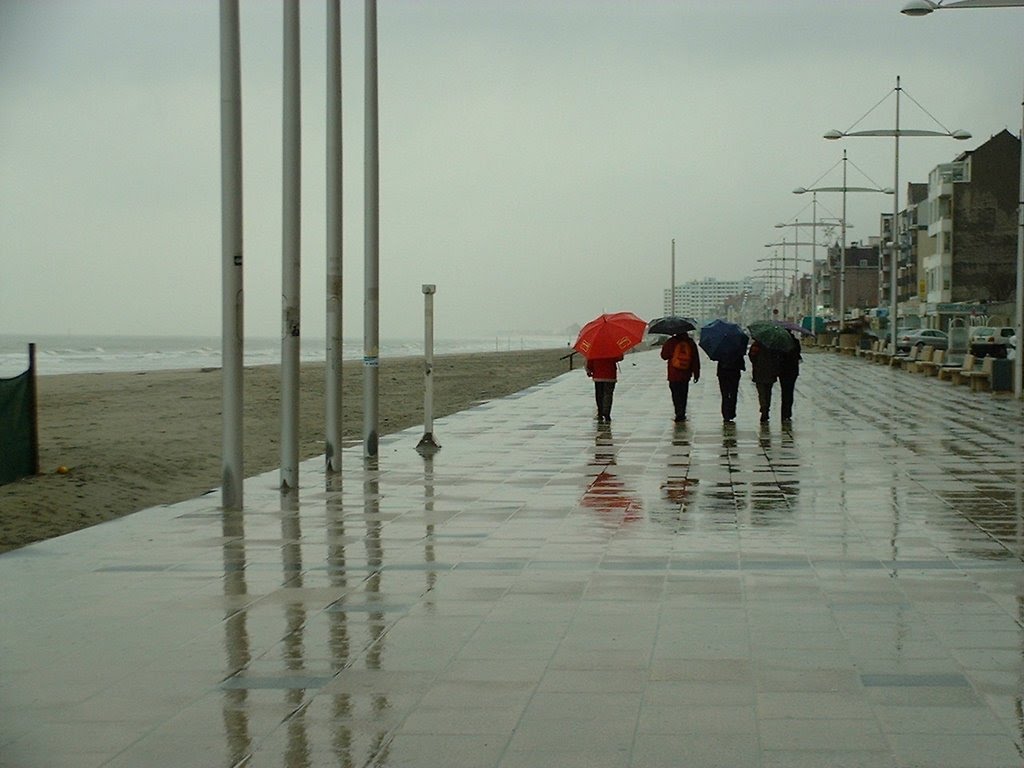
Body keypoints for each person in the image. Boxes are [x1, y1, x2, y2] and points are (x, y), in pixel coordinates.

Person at [660, 332, 700, 422]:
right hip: (686, 373)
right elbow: (695, 359)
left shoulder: (671, 342)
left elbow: (663, 356)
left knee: (675, 394)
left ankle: (678, 412)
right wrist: (696, 373)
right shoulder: (690, 342)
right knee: (683, 394)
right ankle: (682, 413)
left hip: (673, 374)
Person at [748, 340, 782, 424]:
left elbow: (752, 356)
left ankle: (763, 407)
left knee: (761, 393)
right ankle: (766, 408)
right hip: (770, 372)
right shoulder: (773, 345)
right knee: (768, 392)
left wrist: (756, 363)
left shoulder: (757, 344)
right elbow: (778, 357)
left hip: (759, 372)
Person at [585, 354, 622, 423]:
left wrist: (589, 370)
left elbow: (590, 361)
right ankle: (607, 413)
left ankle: (600, 412)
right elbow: (620, 357)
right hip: (610, 375)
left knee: (599, 394)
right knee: (608, 395)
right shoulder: (611, 348)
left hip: (598, 375)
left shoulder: (595, 349)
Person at [716, 347, 746, 423]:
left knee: (725, 394)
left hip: (723, 373)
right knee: (733, 393)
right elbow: (741, 362)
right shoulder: (737, 348)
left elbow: (716, 358)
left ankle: (725, 414)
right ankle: (731, 413)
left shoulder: (721, 348)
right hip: (734, 373)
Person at [778, 334, 802, 423]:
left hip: (782, 370)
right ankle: (787, 414)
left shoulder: (779, 343)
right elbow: (798, 354)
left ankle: (784, 413)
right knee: (789, 392)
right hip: (793, 370)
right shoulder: (795, 342)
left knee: (784, 391)